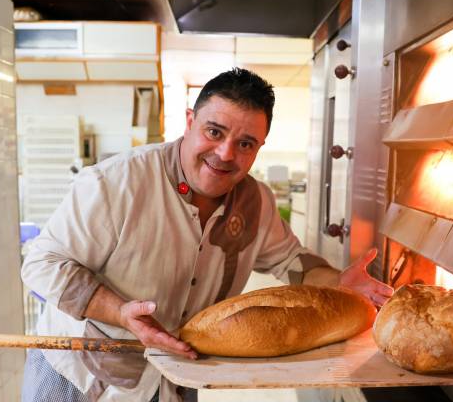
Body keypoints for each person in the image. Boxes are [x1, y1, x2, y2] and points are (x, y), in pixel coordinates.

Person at [20, 68, 393, 402]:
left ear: (259, 148)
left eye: (246, 144)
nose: (225, 153)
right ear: (189, 121)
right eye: (214, 132)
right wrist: (120, 312)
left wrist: (337, 281)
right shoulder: (116, 184)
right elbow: (41, 264)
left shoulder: (256, 202)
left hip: (178, 376)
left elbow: (292, 262)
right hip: (83, 373)